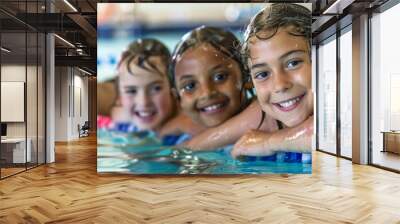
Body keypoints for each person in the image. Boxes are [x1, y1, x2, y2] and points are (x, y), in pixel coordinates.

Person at [184, 4, 314, 159]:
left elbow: (328, 133)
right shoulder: (265, 115)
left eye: (293, 63)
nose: (279, 85)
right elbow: (192, 148)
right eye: (263, 74)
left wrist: (268, 142)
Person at [170, 26, 278, 132]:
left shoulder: (273, 112)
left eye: (219, 77)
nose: (207, 93)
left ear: (247, 76)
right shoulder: (179, 136)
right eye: (190, 86)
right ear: (177, 98)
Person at [115, 38, 203, 137]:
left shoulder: (192, 121)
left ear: (173, 88)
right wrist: (163, 131)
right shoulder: (120, 118)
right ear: (119, 97)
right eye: (131, 91)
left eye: (156, 88)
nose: (143, 102)